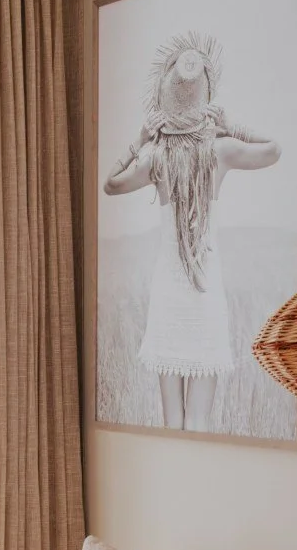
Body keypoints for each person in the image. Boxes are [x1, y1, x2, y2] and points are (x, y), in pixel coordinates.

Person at [103, 33, 280, 432]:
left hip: (168, 291)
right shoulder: (220, 152)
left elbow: (110, 185)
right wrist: (231, 124)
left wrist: (139, 141)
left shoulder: (155, 157)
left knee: (173, 421)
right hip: (205, 292)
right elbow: (274, 149)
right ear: (203, 102)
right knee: (200, 419)